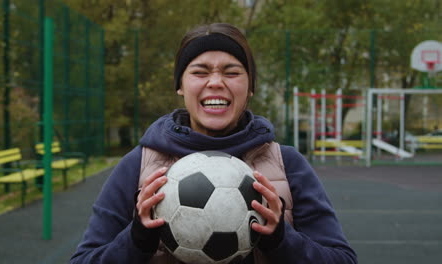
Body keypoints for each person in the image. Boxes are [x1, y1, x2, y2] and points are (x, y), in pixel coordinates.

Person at [70, 23, 357, 264]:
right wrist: (136, 240)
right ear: (180, 86)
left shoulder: (287, 163)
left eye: (231, 72)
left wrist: (282, 240)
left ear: (251, 86)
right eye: (200, 72)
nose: (216, 82)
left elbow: (342, 259)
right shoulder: (141, 164)